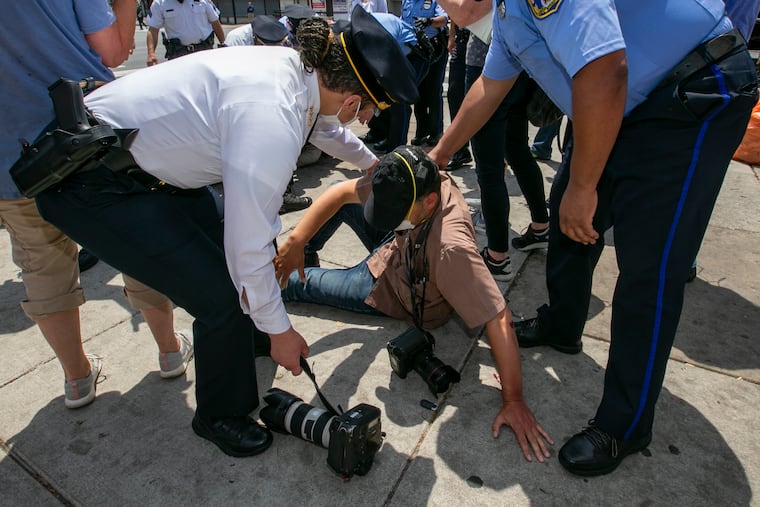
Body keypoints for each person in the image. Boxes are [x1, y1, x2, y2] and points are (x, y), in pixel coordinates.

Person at [31, 10, 418, 457]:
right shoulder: (273, 117)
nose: (365, 119)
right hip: (92, 185)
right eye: (368, 110)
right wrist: (282, 331)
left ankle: (249, 336)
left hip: (139, 169)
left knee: (248, 276)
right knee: (222, 294)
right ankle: (220, 415)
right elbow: (246, 248)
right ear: (351, 99)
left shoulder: (297, 73)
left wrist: (374, 165)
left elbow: (326, 128)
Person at [430, 0, 757, 476]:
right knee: (569, 221)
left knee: (650, 268)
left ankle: (625, 424)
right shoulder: (505, 16)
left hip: (693, 90)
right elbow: (489, 86)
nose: (450, 4)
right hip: (625, 102)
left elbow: (605, 70)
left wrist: (585, 188)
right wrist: (437, 156)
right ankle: (564, 325)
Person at [274, 146, 552, 462]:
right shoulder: (416, 176)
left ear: (428, 202)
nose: (385, 218)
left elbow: (498, 317)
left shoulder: (451, 250)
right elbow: (340, 192)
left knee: (292, 284)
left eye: (392, 214)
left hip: (388, 289)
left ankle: (264, 282)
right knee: (337, 208)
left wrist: (513, 400)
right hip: (397, 247)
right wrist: (296, 242)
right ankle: (306, 252)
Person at [1, 0, 192, 410]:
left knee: (41, 266)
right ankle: (169, 350)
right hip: (85, 136)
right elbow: (113, 51)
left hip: (11, 156)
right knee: (137, 244)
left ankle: (77, 378)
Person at [224, 14, 312, 214]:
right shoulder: (236, 41)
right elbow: (230, 77)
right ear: (256, 40)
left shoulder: (282, 39)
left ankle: (283, 194)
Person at [402, 0, 449, 146]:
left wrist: (429, 21)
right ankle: (421, 131)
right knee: (418, 92)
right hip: (414, 50)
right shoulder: (407, 1)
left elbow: (444, 19)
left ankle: (436, 132)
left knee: (433, 92)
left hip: (434, 48)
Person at [146, 0, 226, 65]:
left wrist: (223, 44)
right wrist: (151, 53)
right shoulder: (160, 3)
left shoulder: (203, 1)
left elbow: (215, 22)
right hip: (178, 54)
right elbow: (153, 30)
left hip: (204, 50)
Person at [444, 23, 472, 170]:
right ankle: (460, 149)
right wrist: (452, 36)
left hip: (483, 42)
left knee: (478, 99)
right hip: (462, 41)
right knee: (454, 94)